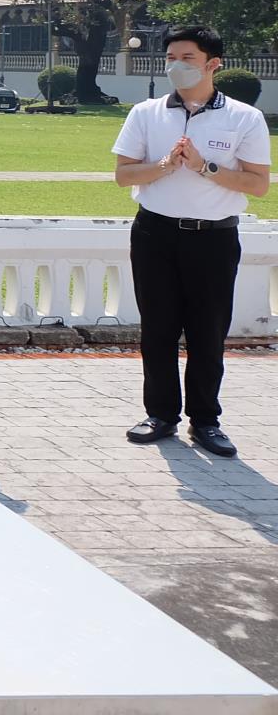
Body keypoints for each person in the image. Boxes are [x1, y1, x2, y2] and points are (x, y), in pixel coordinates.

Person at [112, 25, 271, 457]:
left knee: (208, 332)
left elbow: (258, 184)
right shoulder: (146, 113)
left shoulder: (243, 117)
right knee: (158, 329)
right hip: (155, 233)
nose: (176, 67)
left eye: (187, 59)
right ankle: (161, 414)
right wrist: (165, 165)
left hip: (213, 238)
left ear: (212, 64)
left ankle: (206, 420)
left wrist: (205, 167)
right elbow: (124, 174)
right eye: (170, 58)